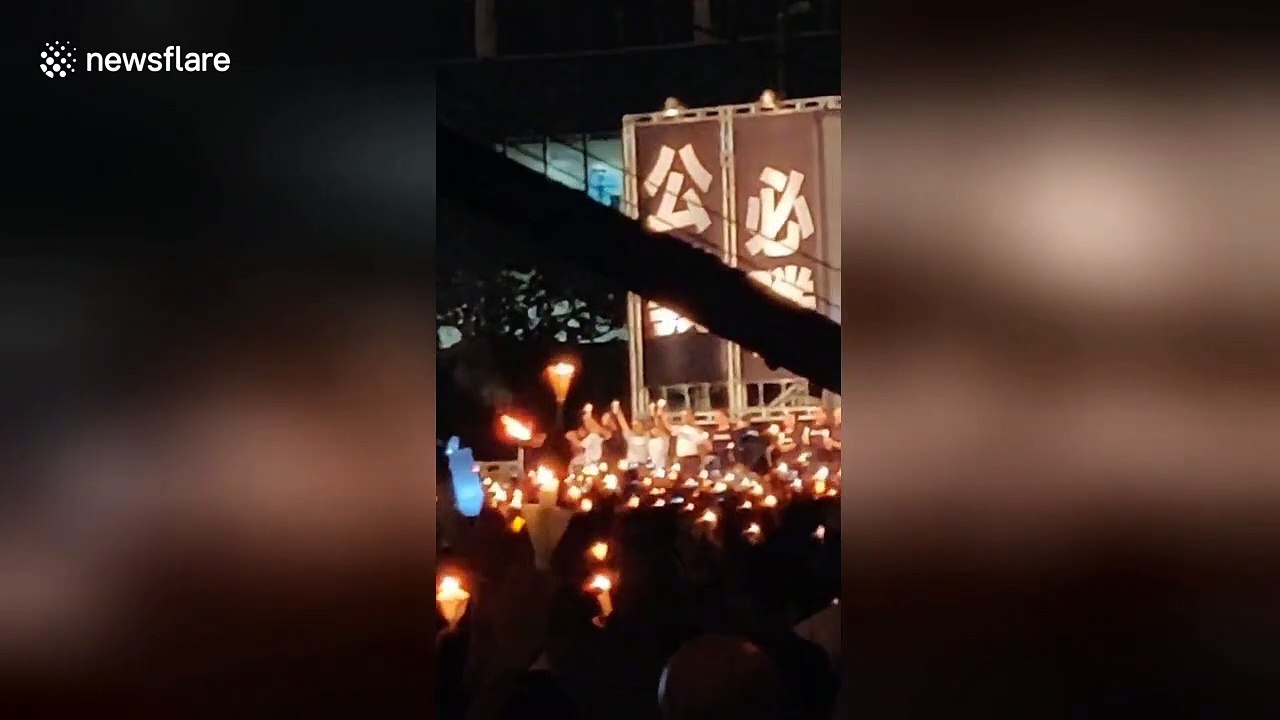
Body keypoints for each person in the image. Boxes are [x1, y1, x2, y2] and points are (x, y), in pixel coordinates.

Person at [612, 400, 652, 468]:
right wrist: (618, 411)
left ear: (642, 426)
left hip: (643, 466)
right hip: (631, 465)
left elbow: (651, 424)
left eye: (638, 425)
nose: (636, 427)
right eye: (634, 426)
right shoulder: (629, 435)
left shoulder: (647, 435)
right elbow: (623, 423)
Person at [707, 408, 737, 474]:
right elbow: (710, 446)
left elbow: (735, 442)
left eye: (720, 416)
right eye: (716, 417)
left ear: (726, 417)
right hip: (716, 458)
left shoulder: (732, 430)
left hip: (728, 457)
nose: (717, 418)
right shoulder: (713, 432)